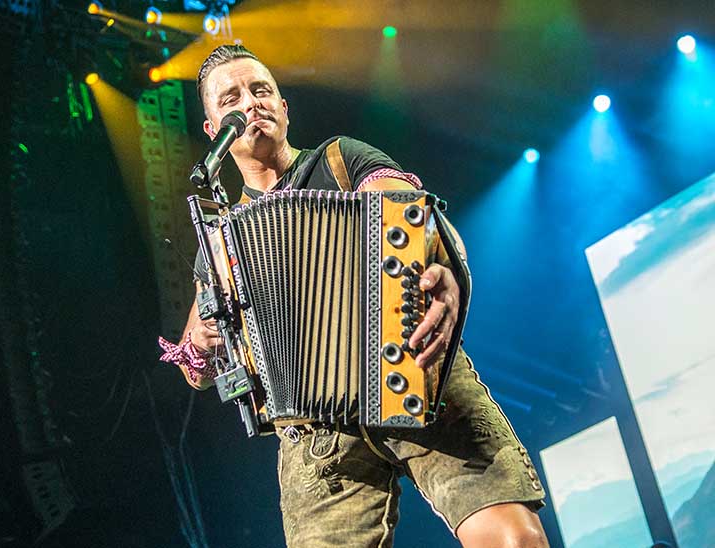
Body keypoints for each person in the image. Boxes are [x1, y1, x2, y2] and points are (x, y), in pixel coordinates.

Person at [158, 44, 549, 547]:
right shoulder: (219, 240)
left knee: (513, 539)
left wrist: (444, 263)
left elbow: (415, 216)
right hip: (314, 433)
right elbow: (196, 367)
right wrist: (204, 346)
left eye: (261, 90)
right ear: (213, 131)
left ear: (283, 106)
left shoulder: (342, 160)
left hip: (409, 364)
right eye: (231, 97)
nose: (251, 102)